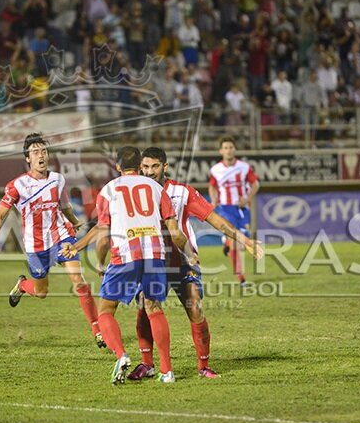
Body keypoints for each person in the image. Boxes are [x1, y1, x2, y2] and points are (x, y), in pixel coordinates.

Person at [127, 147, 264, 381]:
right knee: (145, 310)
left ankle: (203, 366)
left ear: (165, 167)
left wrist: (244, 240)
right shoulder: (136, 192)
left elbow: (214, 219)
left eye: (155, 166)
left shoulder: (182, 192)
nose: (150, 172)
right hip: (151, 260)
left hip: (183, 260)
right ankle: (147, 364)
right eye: (145, 167)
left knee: (195, 308)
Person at [61, 146, 196, 384]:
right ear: (140, 166)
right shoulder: (157, 188)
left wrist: (97, 261)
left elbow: (102, 232)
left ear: (117, 166)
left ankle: (121, 355)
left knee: (106, 310)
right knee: (154, 308)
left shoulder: (108, 190)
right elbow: (175, 233)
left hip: (124, 255)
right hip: (155, 255)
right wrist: (189, 254)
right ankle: (167, 372)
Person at [0, 133, 104, 348]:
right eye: (35, 152)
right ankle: (22, 286)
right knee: (41, 292)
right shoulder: (17, 186)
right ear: (27, 159)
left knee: (79, 282)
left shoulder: (58, 179)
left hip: (62, 236)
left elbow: (64, 205)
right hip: (36, 245)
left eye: (44, 151)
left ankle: (97, 330)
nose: (41, 155)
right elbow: (0, 215)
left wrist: (74, 221)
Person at [208, 136, 259, 285]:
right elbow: (212, 186)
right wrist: (213, 199)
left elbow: (255, 184)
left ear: (234, 149)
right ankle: (241, 279)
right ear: (221, 151)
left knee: (243, 242)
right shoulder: (216, 169)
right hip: (225, 208)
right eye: (225, 148)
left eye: (230, 147)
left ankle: (227, 243)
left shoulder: (244, 167)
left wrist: (247, 198)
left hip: (242, 208)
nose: (228, 150)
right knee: (238, 243)